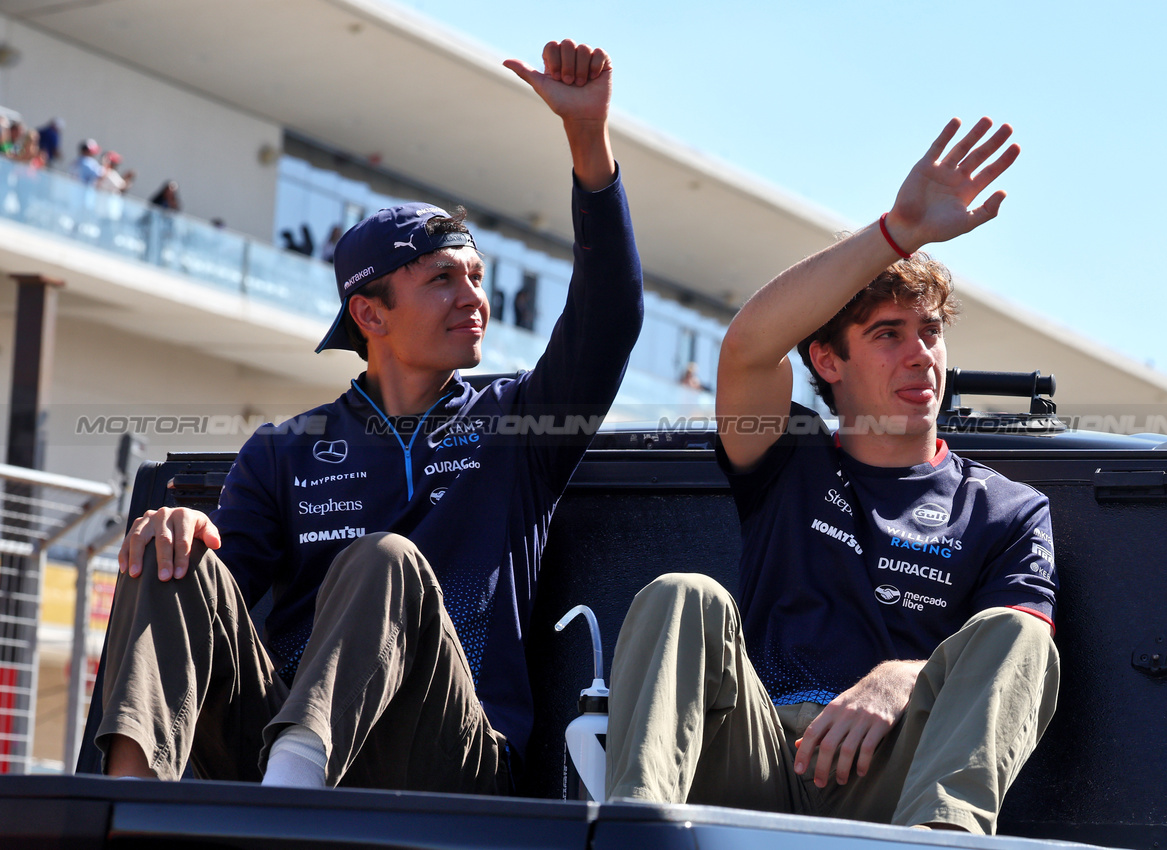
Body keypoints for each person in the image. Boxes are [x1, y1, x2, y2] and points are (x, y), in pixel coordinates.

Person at [97, 39, 642, 793]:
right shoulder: (286, 450)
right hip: (278, 736)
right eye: (443, 279)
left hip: (451, 755)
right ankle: (122, 805)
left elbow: (611, 314)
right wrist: (180, 531)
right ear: (369, 313)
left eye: (477, 279)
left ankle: (293, 803)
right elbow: (216, 599)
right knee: (168, 549)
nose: (473, 300)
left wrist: (589, 144)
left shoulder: (522, 423)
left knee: (385, 557)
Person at [605, 118, 1059, 834]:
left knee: (1018, 633)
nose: (920, 356)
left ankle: (938, 845)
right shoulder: (791, 455)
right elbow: (750, 348)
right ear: (826, 361)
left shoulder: (1005, 507)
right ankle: (637, 829)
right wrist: (898, 229)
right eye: (888, 335)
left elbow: (1014, 655)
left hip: (890, 779)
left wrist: (901, 678)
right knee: (681, 595)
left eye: (930, 332)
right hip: (753, 762)